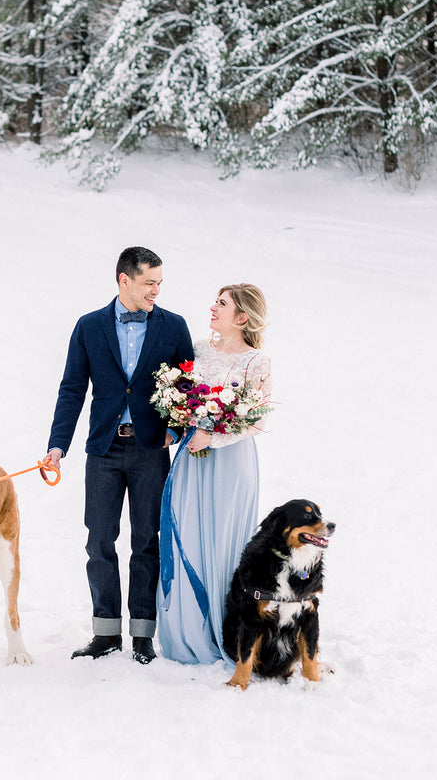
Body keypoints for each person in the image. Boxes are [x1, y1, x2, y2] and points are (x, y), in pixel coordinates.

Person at [46, 246, 194, 664]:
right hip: (104, 451)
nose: (156, 291)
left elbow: (190, 386)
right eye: (149, 283)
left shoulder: (173, 326)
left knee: (147, 542)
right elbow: (72, 388)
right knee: (99, 541)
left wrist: (175, 429)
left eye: (160, 284)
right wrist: (58, 445)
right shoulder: (89, 326)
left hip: (151, 451)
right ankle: (106, 633)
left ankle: (143, 636)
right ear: (123, 280)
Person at [156, 283, 272, 665]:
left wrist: (214, 436)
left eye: (221, 304)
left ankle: (226, 633)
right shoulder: (200, 350)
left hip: (232, 464)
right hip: (192, 458)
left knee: (224, 543)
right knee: (186, 535)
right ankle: (185, 633)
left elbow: (257, 420)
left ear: (242, 317)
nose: (212, 308)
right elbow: (182, 396)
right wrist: (178, 427)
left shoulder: (257, 361)